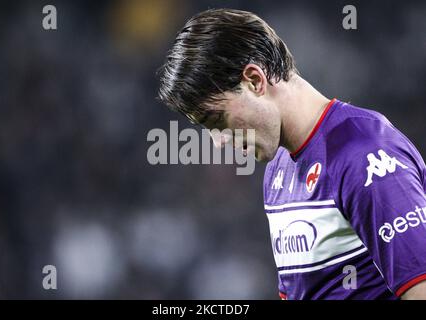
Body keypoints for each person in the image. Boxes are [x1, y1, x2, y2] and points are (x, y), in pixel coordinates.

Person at [157, 8, 426, 300]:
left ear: (255, 80)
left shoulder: (365, 153)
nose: (218, 142)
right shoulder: (277, 171)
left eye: (217, 121)